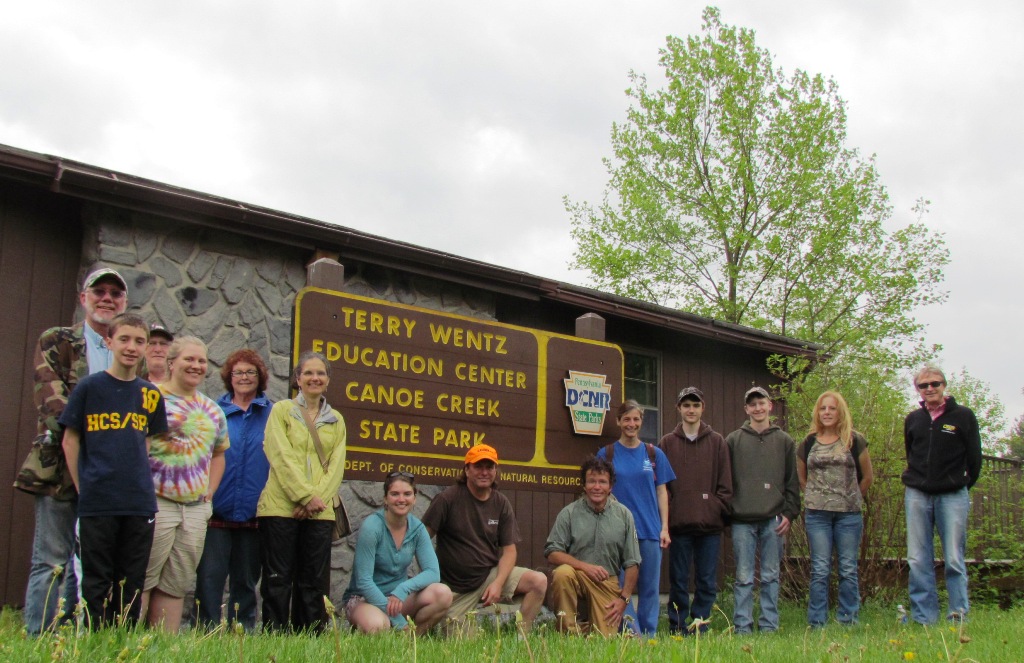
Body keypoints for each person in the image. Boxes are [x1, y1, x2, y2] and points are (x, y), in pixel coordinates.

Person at [17, 267, 130, 635]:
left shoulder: (128, 353)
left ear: (124, 303)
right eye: (99, 291)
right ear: (84, 298)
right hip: (59, 468)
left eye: (115, 293)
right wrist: (90, 444)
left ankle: (70, 635)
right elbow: (51, 401)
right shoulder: (58, 340)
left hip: (107, 474)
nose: (107, 298)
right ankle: (38, 638)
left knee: (91, 558)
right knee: (51, 558)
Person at [59, 313, 168, 628]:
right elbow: (70, 441)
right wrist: (85, 487)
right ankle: (93, 642)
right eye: (124, 339)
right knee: (96, 582)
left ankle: (123, 643)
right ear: (109, 342)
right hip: (98, 499)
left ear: (146, 347)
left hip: (138, 501)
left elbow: (146, 443)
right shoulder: (89, 388)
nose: (131, 347)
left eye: (139, 341)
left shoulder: (150, 394)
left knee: (131, 583)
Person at [141, 336, 229, 632]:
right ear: (171, 363)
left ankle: (161, 649)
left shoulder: (213, 410)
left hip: (194, 510)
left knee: (176, 584)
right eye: (188, 359)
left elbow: (218, 454)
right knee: (143, 578)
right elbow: (138, 447)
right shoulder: (152, 398)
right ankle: (125, 645)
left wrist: (210, 493)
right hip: (156, 502)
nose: (196, 365)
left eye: (201, 360)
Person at [257, 351, 346, 633]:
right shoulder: (281, 410)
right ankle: (274, 638)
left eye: (320, 373)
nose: (314, 378)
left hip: (320, 512)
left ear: (328, 380)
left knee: (314, 581)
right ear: (298, 378)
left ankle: (310, 640)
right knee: (278, 578)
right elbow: (279, 454)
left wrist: (314, 501)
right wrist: (305, 496)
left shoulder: (337, 420)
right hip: (280, 507)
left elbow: (336, 467)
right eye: (308, 373)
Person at [421, 444, 547, 635]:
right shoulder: (447, 499)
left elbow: (510, 551)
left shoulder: (501, 502)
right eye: (478, 466)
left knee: (538, 581)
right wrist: (429, 576)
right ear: (467, 470)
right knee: (464, 650)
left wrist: (497, 583)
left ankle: (523, 639)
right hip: (455, 589)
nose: (484, 472)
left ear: (496, 471)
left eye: (489, 467)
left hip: (488, 575)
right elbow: (422, 538)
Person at [194, 349, 273, 631]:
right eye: (238, 372)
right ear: (229, 377)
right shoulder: (212, 411)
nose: (244, 378)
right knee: (208, 580)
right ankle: (205, 635)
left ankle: (242, 636)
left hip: (254, 513)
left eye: (250, 372)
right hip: (217, 510)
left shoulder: (273, 414)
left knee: (246, 583)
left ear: (260, 377)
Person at [902, 366, 981, 625]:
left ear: (944, 385)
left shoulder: (963, 416)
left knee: (954, 558)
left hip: (952, 495)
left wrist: (958, 484)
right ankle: (924, 618)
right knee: (917, 558)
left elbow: (975, 460)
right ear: (918, 390)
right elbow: (911, 454)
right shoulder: (913, 419)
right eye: (923, 386)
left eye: (934, 384)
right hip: (917, 494)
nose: (930, 389)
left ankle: (958, 616)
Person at [725, 386, 800, 635]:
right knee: (744, 577)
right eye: (752, 404)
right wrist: (727, 513)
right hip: (742, 520)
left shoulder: (785, 441)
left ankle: (769, 625)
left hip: (774, 520)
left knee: (770, 576)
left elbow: (792, 482)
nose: (757, 408)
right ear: (746, 409)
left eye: (761, 403)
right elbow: (725, 481)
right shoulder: (733, 440)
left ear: (770, 406)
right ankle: (742, 626)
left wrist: (789, 514)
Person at [658, 386, 732, 635]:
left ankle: (700, 625)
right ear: (679, 408)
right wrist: (669, 514)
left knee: (706, 582)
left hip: (709, 527)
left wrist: (713, 507)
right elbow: (662, 486)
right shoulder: (667, 443)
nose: (691, 410)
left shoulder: (718, 442)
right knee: (678, 581)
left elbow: (725, 485)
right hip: (679, 526)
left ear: (703, 408)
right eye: (686, 405)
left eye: (696, 405)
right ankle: (677, 626)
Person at [595, 400, 673, 636]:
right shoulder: (606, 453)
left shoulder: (653, 453)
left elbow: (662, 491)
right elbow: (598, 491)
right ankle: (630, 632)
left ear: (641, 421)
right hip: (617, 533)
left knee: (650, 587)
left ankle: (649, 634)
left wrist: (665, 527)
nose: (631, 424)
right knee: (620, 587)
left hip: (649, 530)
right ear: (618, 422)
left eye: (636, 419)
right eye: (626, 419)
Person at [797, 391, 873, 627]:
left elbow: (867, 477)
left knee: (848, 568)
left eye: (832, 408)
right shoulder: (808, 442)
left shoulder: (854, 440)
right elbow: (802, 478)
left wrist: (850, 498)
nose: (827, 413)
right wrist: (818, 498)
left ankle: (848, 619)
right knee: (820, 568)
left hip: (848, 516)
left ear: (841, 412)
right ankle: (817, 621)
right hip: (817, 515)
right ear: (817, 413)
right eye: (823, 409)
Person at [343, 472, 452, 635]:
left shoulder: (417, 529)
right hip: (364, 599)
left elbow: (433, 573)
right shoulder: (372, 527)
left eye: (407, 494)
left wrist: (403, 589)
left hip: (397, 598)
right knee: (379, 625)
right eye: (395, 494)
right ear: (385, 499)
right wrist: (399, 621)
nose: (401, 499)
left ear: (414, 498)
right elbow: (363, 581)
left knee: (442, 593)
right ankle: (396, 630)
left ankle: (411, 640)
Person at [545, 456, 641, 636]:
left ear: (610, 486)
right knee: (562, 573)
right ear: (584, 485)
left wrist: (624, 599)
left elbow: (632, 562)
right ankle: (568, 635)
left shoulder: (624, 515)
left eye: (602, 482)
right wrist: (585, 567)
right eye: (592, 481)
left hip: (606, 582)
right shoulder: (569, 513)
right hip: (577, 575)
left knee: (605, 641)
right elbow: (552, 552)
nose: (597, 487)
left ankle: (587, 630)